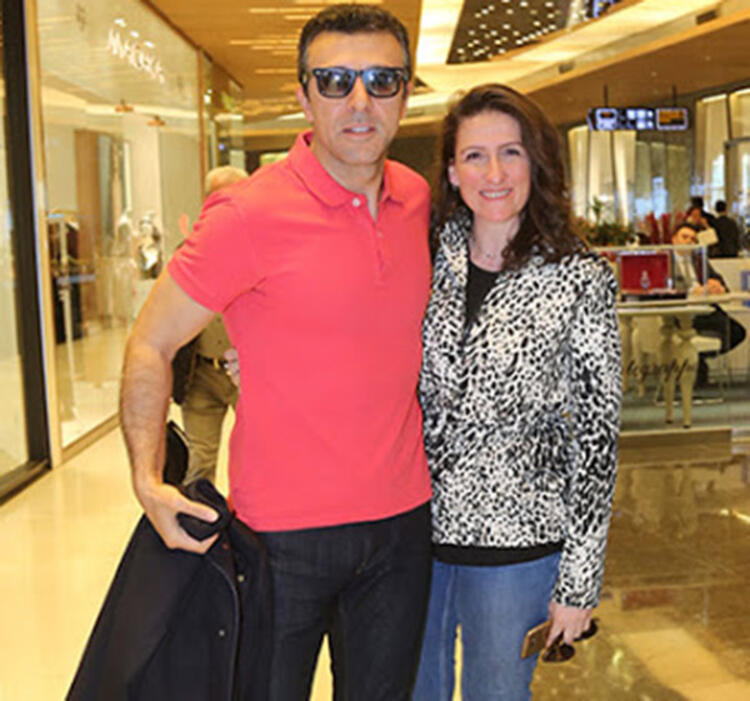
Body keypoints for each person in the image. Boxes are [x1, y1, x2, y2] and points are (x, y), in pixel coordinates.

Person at [119, 5, 433, 700]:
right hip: (282, 536)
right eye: (335, 81)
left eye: (382, 80)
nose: (360, 101)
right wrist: (147, 478)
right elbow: (151, 340)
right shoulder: (248, 214)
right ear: (304, 96)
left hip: (402, 524)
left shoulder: (415, 199)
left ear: (406, 93)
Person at [412, 84, 622, 700]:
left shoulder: (578, 277)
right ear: (452, 172)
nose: (495, 173)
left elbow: (597, 438)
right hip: (410, 535)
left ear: (537, 162)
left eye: (512, 152)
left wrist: (579, 580)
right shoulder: (422, 257)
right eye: (475, 156)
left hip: (519, 546)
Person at [174, 166, 247, 485]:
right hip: (201, 374)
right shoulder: (188, 253)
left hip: (251, 374)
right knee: (198, 462)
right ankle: (202, 516)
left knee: (260, 456)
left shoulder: (266, 249)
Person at [671, 222, 746, 384]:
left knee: (737, 332)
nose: (689, 242)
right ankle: (695, 364)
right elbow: (665, 290)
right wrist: (692, 291)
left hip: (705, 311)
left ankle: (698, 358)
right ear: (674, 239)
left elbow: (718, 280)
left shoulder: (699, 259)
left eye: (693, 239)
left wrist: (717, 285)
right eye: (685, 237)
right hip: (679, 314)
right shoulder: (667, 262)